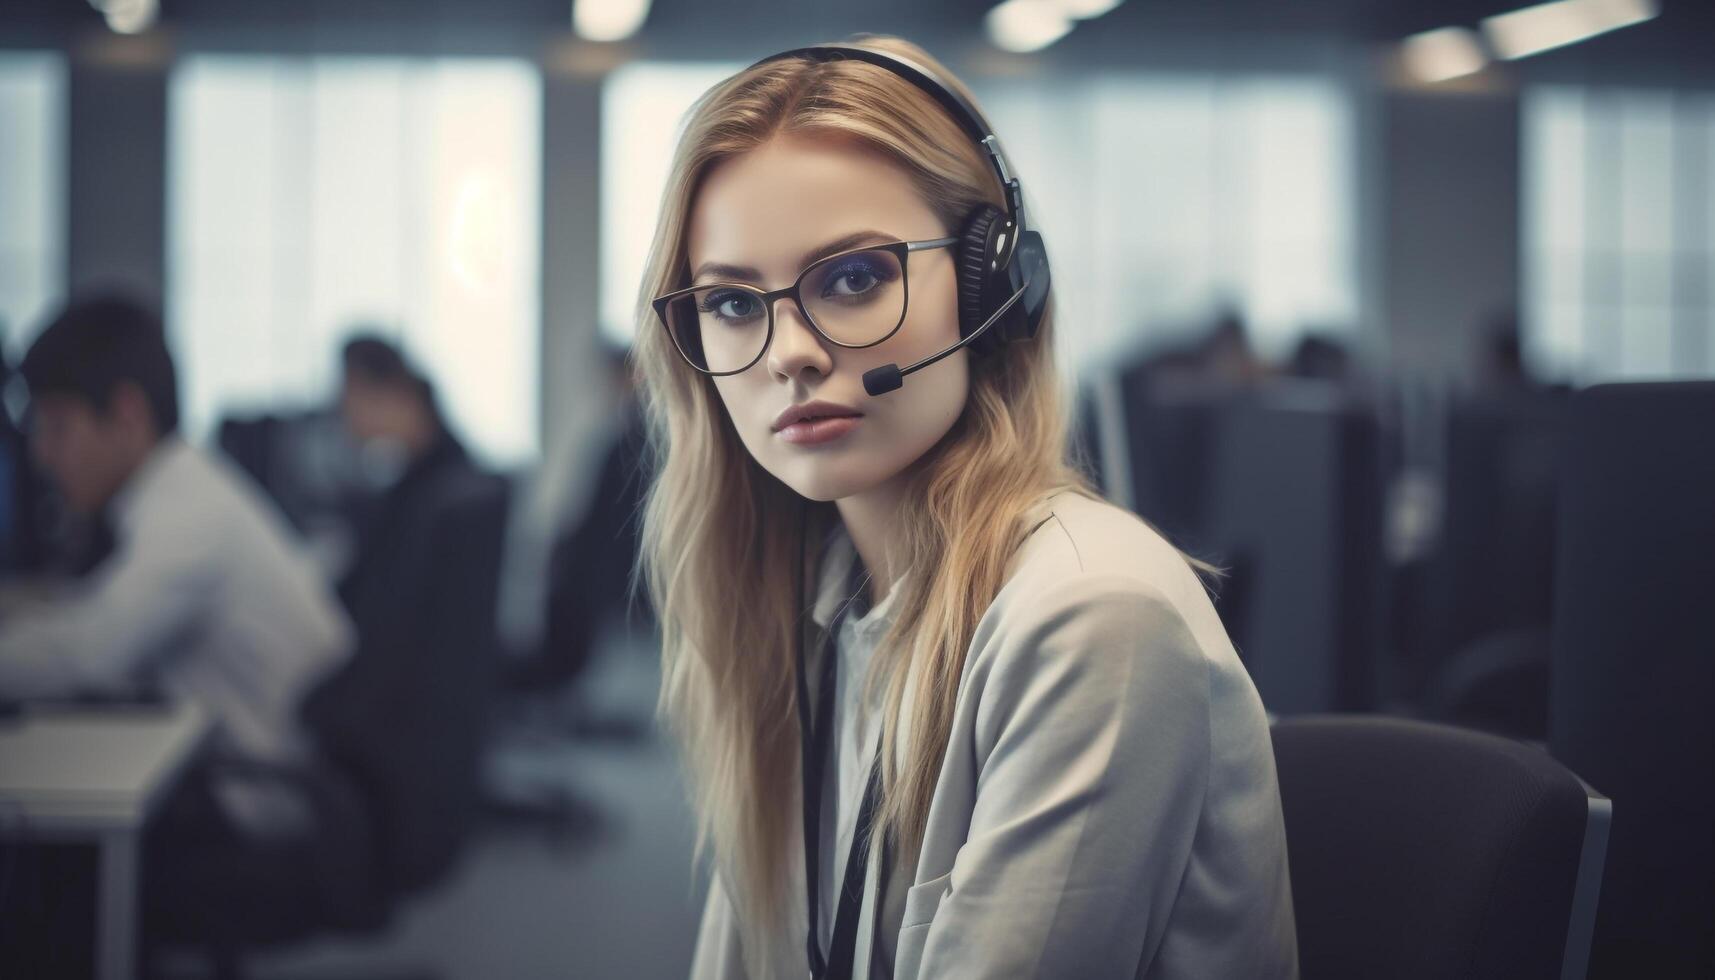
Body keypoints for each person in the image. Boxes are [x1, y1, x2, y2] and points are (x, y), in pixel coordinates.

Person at [633, 38, 1298, 980]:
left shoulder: (1090, 617)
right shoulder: (813, 604)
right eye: (733, 302)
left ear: (994, 290)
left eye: (854, 278)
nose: (789, 352)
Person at [0, 294, 353, 835]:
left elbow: (90, 654)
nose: (44, 454)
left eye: (58, 426)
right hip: (247, 767)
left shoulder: (188, 517)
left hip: (254, 795)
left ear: (126, 413)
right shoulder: (180, 488)